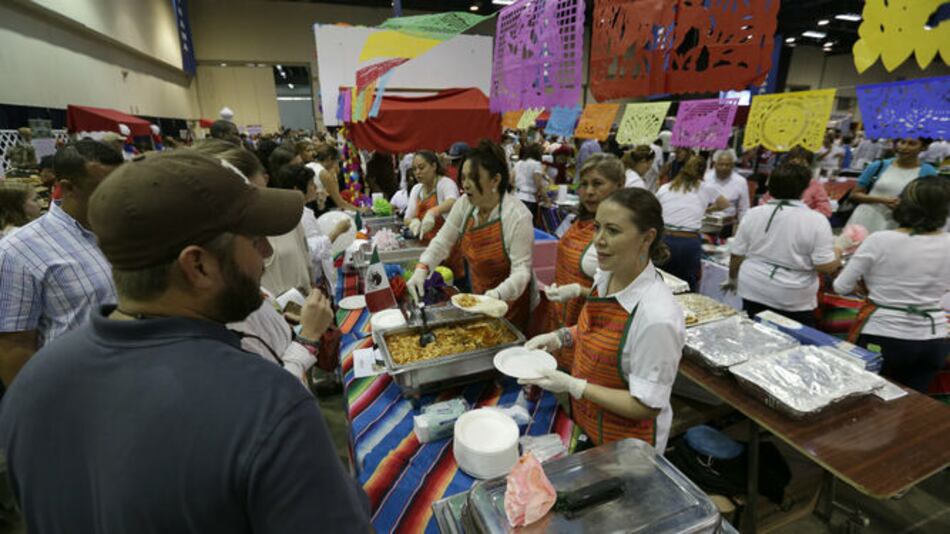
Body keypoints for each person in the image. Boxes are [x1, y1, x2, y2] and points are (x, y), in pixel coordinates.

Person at [0, 150, 371, 531]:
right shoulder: (264, 402)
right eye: (254, 239)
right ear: (198, 265)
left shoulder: (34, 383)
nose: (265, 253)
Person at [520, 188, 685, 451]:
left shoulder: (657, 318)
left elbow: (646, 406)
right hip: (587, 421)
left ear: (647, 238)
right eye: (597, 227)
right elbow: (596, 328)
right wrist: (560, 337)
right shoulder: (607, 274)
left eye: (613, 231)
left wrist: (575, 386)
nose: (598, 240)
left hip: (626, 446)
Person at [0, 140, 122, 387]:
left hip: (129, 378)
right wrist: (36, 404)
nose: (118, 196)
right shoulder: (19, 251)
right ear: (68, 188)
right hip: (74, 388)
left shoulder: (123, 229)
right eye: (105, 189)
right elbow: (14, 346)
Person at [833, 177, 950, 393]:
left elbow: (841, 287)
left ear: (902, 203)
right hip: (934, 337)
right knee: (912, 404)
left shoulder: (880, 240)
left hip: (884, 333)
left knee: (870, 399)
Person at [408, 140, 535, 331]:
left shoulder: (517, 216)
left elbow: (521, 272)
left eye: (473, 178)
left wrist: (496, 295)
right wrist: (422, 267)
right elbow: (442, 241)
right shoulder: (464, 204)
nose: (465, 184)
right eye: (464, 177)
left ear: (495, 180)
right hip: (478, 291)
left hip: (510, 302)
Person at [725, 164, 842, 326]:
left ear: (770, 186)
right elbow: (825, 267)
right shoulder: (816, 220)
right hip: (792, 295)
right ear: (805, 188)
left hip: (753, 287)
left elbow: (737, 254)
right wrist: (838, 250)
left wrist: (732, 278)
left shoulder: (753, 213)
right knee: (791, 337)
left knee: (753, 330)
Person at [541, 153, 625, 370]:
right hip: (562, 318)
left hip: (593, 328)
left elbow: (622, 299)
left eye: (597, 184)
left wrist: (579, 290)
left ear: (619, 185)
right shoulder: (581, 220)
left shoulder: (623, 234)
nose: (589, 191)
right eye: (584, 184)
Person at [655, 155, 729, 291]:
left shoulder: (665, 188)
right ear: (703, 172)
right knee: (687, 286)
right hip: (688, 243)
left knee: (658, 282)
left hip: (664, 240)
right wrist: (708, 209)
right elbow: (724, 204)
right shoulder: (706, 188)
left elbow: (655, 210)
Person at [847, 138, 938, 234]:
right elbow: (854, 194)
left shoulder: (928, 172)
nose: (904, 147)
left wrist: (906, 205)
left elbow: (929, 204)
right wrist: (882, 200)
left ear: (923, 147)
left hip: (899, 223)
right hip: (865, 219)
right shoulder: (878, 165)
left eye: (912, 144)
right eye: (902, 142)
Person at [759, 147, 833, 217]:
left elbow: (826, 210)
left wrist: (802, 215)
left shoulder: (815, 185)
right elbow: (764, 202)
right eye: (793, 164)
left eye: (802, 164)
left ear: (808, 165)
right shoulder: (781, 180)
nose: (797, 169)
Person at [307, 144, 367, 213]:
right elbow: (340, 203)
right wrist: (359, 210)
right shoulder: (324, 174)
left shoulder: (308, 165)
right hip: (315, 209)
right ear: (329, 158)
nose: (335, 164)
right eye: (335, 161)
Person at [703, 149, 751, 233]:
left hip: (728, 225)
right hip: (706, 223)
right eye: (721, 164)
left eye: (727, 165)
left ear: (732, 166)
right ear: (715, 164)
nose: (724, 167)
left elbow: (744, 208)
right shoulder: (705, 178)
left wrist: (743, 229)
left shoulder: (740, 181)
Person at [513, 143, 548, 220]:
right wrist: (547, 200)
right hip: (528, 200)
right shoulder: (536, 164)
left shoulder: (518, 163)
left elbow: (511, 180)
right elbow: (539, 185)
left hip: (516, 197)